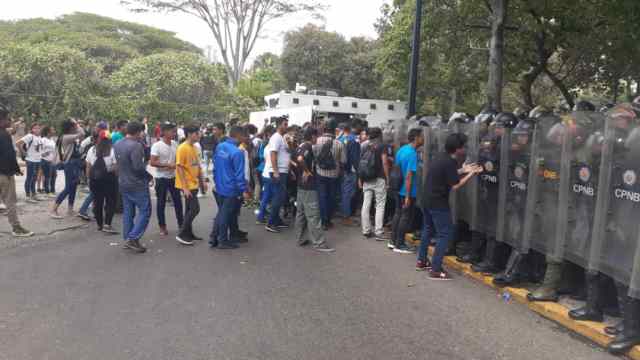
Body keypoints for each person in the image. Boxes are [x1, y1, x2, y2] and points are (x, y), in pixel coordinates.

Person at [416, 133, 482, 280]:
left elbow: (448, 174)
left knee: (427, 229)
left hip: (426, 199)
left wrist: (463, 170)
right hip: (438, 202)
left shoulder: (441, 157)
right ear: (457, 149)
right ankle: (436, 269)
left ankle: (421, 261)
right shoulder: (450, 162)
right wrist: (471, 174)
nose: (464, 149)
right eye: (463, 147)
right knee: (445, 234)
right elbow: (455, 185)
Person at [294, 127, 335, 252]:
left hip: (301, 185)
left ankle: (300, 238)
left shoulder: (300, 146)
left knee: (300, 213)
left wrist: (302, 172)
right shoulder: (307, 147)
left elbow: (296, 160)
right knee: (313, 215)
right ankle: (319, 243)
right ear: (312, 136)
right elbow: (300, 160)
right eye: (316, 136)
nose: (317, 139)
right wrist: (307, 171)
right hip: (309, 186)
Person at [113, 121, 151, 253]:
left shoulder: (118, 144)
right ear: (138, 132)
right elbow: (138, 167)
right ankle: (133, 238)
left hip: (123, 182)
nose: (143, 134)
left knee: (128, 212)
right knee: (145, 211)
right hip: (137, 184)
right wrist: (148, 176)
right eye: (142, 131)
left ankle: (128, 237)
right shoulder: (136, 146)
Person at [210, 126, 250, 250]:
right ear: (239, 136)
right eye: (245, 136)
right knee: (225, 214)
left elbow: (215, 166)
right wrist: (244, 190)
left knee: (222, 212)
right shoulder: (237, 152)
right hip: (231, 188)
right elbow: (239, 175)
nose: (246, 138)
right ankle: (222, 240)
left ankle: (215, 237)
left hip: (220, 186)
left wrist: (216, 182)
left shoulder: (220, 146)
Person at [0, 105, 34, 237]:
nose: (9, 122)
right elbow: (9, 155)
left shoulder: (5, 132)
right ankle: (16, 228)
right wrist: (15, 169)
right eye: (7, 119)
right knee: (10, 201)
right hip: (4, 174)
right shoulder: (4, 135)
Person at [390, 128, 424, 254]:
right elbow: (409, 176)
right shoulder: (412, 154)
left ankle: (393, 241)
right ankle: (400, 244)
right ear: (416, 138)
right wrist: (408, 196)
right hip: (407, 191)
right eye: (421, 136)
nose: (423, 139)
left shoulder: (402, 150)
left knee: (397, 214)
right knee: (405, 217)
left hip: (398, 188)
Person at [257, 117, 291, 233]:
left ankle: (276, 220)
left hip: (282, 171)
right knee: (278, 198)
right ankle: (271, 223)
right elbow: (273, 154)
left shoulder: (282, 138)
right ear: (279, 125)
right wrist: (276, 171)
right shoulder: (276, 137)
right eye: (285, 124)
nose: (287, 126)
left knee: (279, 198)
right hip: (278, 172)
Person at [175, 124, 207, 245]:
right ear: (189, 134)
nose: (199, 135)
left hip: (193, 183)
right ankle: (182, 233)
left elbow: (197, 166)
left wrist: (202, 181)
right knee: (195, 209)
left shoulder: (194, 147)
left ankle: (189, 234)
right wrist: (184, 187)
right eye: (196, 133)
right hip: (187, 184)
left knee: (189, 209)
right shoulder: (182, 148)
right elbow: (180, 168)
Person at [150, 122, 183, 236]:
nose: (174, 133)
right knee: (161, 203)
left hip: (173, 177)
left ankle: (181, 224)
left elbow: (178, 159)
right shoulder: (157, 145)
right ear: (164, 132)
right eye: (171, 131)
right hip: (161, 178)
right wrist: (167, 165)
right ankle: (162, 226)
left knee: (178, 201)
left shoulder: (175, 144)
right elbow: (152, 162)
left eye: (174, 131)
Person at [313, 119, 346, 230]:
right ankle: (328, 220)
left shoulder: (317, 141)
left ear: (324, 129)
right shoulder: (339, 143)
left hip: (320, 173)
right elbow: (343, 161)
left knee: (322, 196)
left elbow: (314, 157)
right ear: (334, 130)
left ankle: (322, 220)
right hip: (334, 175)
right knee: (331, 197)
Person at [359, 127, 390, 241]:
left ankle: (366, 230)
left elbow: (361, 163)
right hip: (379, 178)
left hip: (366, 178)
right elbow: (385, 162)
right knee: (380, 205)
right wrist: (387, 179)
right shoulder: (382, 146)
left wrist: (360, 179)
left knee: (366, 204)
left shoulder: (364, 145)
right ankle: (378, 231)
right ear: (379, 135)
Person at [51, 119, 85, 219]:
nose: (76, 127)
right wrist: (76, 123)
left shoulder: (66, 136)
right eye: (74, 126)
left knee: (73, 186)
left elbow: (81, 135)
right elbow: (82, 133)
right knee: (69, 187)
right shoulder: (67, 137)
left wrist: (75, 124)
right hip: (70, 164)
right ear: (71, 128)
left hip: (73, 163)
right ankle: (54, 209)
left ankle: (70, 209)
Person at [86, 131, 118, 234]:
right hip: (109, 180)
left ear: (99, 139)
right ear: (109, 140)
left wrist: (88, 179)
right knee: (110, 202)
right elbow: (116, 167)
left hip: (94, 180)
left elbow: (88, 166)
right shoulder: (112, 150)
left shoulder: (92, 149)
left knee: (97, 202)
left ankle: (99, 225)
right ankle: (107, 224)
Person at [337, 123, 360, 226]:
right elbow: (355, 157)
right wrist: (358, 169)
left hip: (341, 169)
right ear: (350, 129)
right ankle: (346, 216)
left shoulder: (339, 139)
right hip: (351, 170)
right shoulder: (354, 139)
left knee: (343, 192)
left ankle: (344, 213)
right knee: (349, 192)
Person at [16, 123, 44, 203]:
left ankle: (34, 194)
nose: (37, 129)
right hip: (31, 160)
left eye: (38, 128)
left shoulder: (39, 137)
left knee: (34, 178)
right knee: (29, 178)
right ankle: (28, 196)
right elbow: (17, 143)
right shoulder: (29, 136)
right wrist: (23, 152)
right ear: (32, 129)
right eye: (35, 128)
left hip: (38, 160)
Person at [40, 126, 58, 198]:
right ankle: (47, 191)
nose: (54, 131)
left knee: (54, 175)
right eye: (52, 130)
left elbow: (54, 150)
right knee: (48, 176)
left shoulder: (52, 140)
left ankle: (52, 190)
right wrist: (44, 154)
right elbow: (39, 150)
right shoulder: (43, 140)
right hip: (45, 160)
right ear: (48, 132)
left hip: (52, 161)